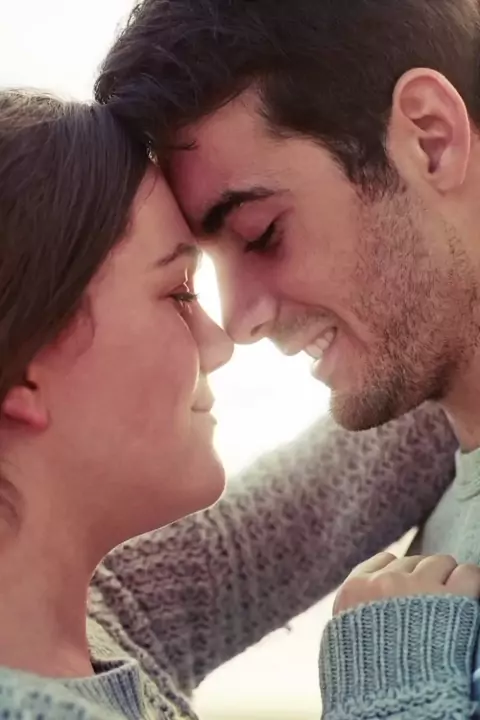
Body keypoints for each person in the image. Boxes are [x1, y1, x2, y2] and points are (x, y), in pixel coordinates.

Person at [0, 88, 456, 720]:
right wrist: (393, 689)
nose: (220, 342)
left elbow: (325, 500)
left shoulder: (104, 617)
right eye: (178, 292)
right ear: (26, 372)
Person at [92, 0, 480, 715]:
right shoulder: (428, 426)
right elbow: (135, 598)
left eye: (262, 232)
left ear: (431, 140)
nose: (238, 324)